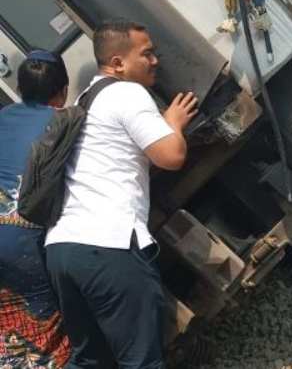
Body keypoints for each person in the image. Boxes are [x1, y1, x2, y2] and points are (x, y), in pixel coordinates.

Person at [45, 21, 199, 369]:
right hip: (108, 247)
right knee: (141, 360)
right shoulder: (126, 93)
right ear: (118, 63)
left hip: (63, 251)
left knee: (90, 360)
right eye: (146, 54)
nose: (156, 60)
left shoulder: (86, 101)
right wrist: (172, 122)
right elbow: (171, 156)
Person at [0, 51, 73, 368]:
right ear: (63, 91)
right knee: (50, 329)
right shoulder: (63, 123)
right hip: (25, 240)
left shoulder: (3, 118)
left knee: (12, 327)